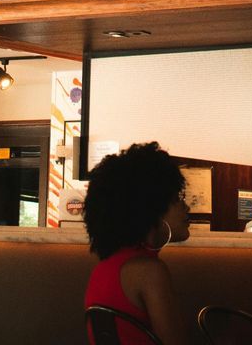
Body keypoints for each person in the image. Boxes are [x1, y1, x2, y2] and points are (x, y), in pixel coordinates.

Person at [82, 142, 194, 345]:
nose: (186, 206)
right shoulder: (150, 272)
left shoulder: (104, 269)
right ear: (150, 208)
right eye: (177, 198)